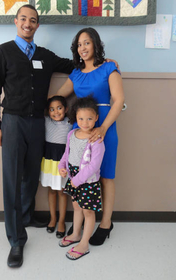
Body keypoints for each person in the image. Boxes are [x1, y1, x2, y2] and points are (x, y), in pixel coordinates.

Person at [0, 4, 74, 268]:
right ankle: (16, 240)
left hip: (39, 124)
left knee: (31, 174)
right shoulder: (3, 52)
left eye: (33, 20)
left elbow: (75, 65)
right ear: (16, 22)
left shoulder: (45, 55)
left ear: (37, 26)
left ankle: (25, 215)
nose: (28, 23)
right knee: (13, 178)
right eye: (23, 19)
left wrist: (103, 61)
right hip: (12, 122)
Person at [56, 27, 125, 246]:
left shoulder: (109, 68)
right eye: (79, 44)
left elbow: (119, 100)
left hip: (105, 126)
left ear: (95, 44)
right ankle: (80, 223)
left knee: (105, 175)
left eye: (86, 42)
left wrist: (103, 128)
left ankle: (105, 223)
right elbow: (58, 96)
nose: (83, 48)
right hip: (79, 130)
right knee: (79, 171)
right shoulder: (75, 73)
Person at [58, 96, 105, 260]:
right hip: (72, 177)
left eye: (90, 118)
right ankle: (76, 234)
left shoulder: (96, 139)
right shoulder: (72, 133)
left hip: (87, 181)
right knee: (77, 207)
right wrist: (61, 167)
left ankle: (85, 243)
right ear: (75, 118)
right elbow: (67, 153)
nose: (85, 123)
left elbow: (94, 166)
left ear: (96, 118)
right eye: (81, 118)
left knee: (88, 212)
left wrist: (77, 181)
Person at [40, 96, 72, 238]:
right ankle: (53, 218)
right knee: (52, 191)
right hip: (48, 162)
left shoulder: (70, 123)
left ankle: (61, 221)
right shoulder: (46, 121)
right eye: (52, 109)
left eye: (59, 108)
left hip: (62, 163)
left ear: (65, 109)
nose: (56, 112)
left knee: (61, 192)